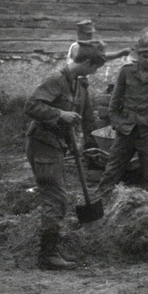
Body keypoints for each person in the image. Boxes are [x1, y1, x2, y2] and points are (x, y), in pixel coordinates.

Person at [25, 41, 105, 270]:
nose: (95, 72)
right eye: (95, 68)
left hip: (56, 145)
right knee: (56, 197)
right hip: (42, 146)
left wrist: (74, 141)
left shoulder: (76, 83)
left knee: (57, 197)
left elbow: (74, 118)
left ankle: (51, 250)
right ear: (87, 63)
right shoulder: (56, 79)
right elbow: (30, 106)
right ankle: (48, 255)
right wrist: (60, 113)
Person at [93, 35, 148, 197]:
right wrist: (117, 124)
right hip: (126, 131)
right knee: (111, 171)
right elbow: (114, 103)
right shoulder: (126, 72)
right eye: (145, 57)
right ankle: (100, 202)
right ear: (138, 55)